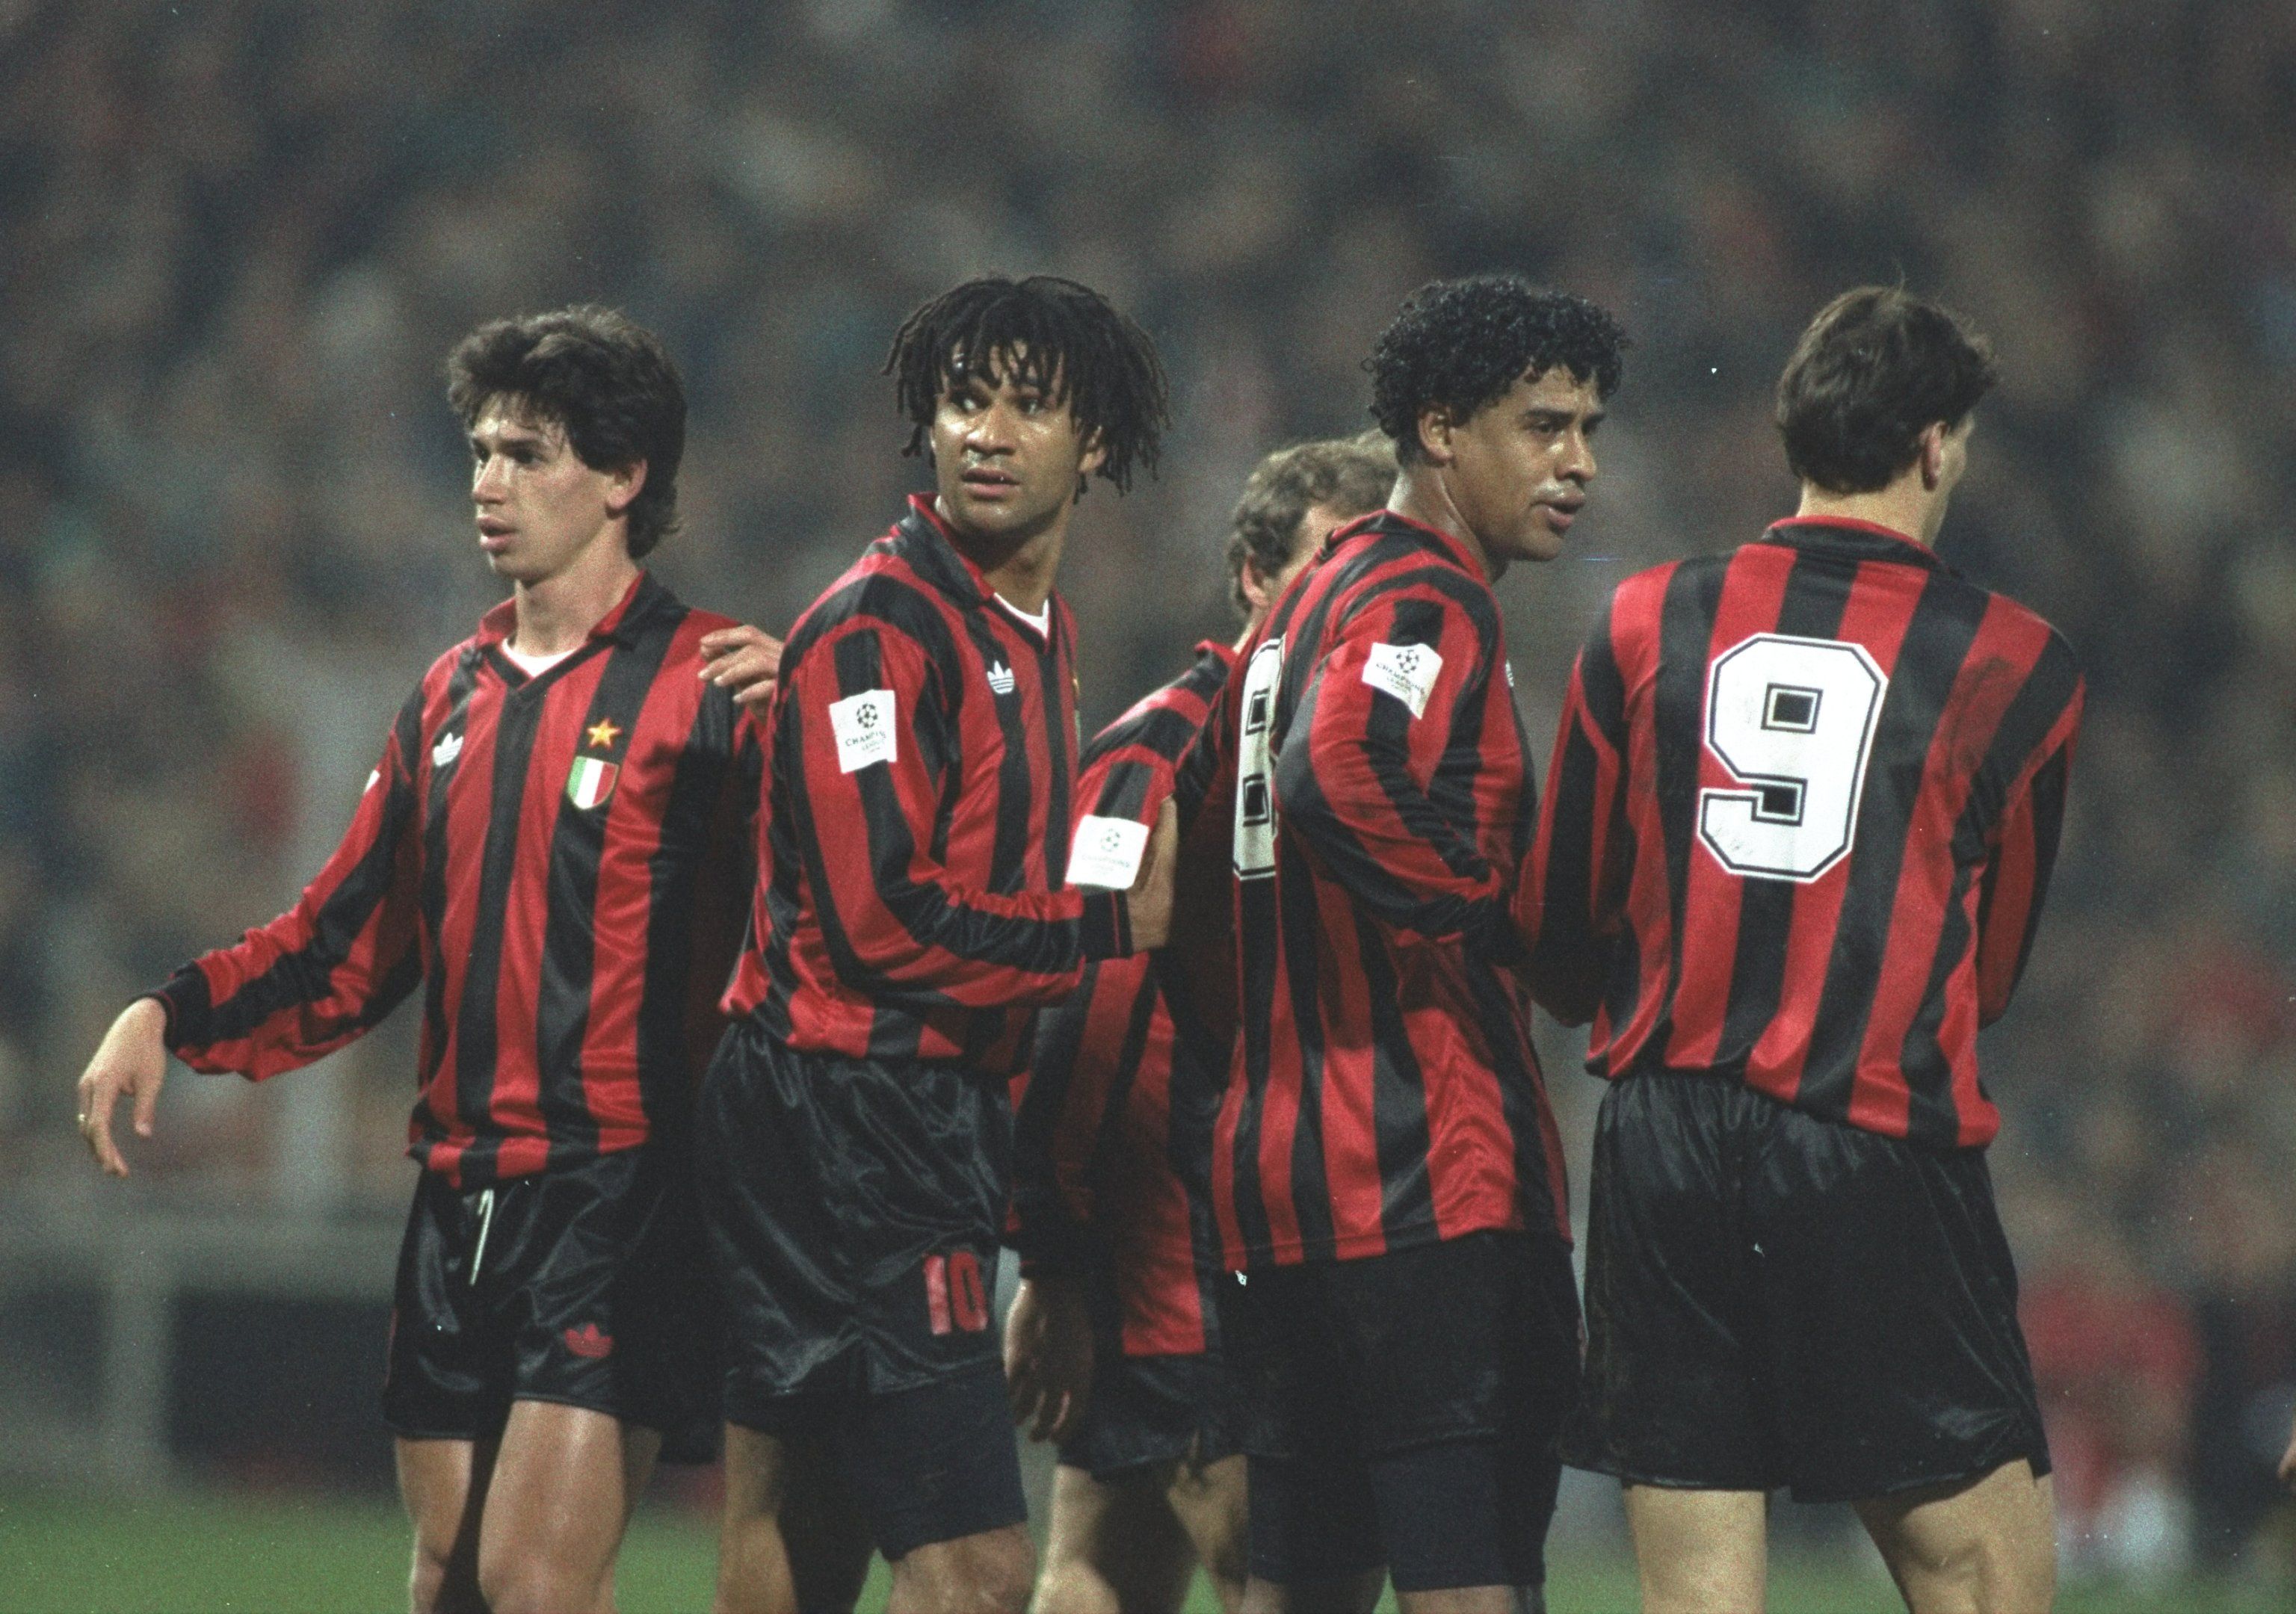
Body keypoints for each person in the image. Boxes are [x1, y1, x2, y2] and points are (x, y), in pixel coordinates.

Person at [72, 306, 771, 1614]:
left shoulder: (717, 687)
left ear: (625, 479)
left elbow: (842, 913)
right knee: (451, 1585)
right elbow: (343, 946)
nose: (489, 484)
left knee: (531, 1587)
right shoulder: (450, 695)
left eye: (529, 454)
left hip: (619, 1195)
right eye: (482, 451)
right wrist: (168, 1011)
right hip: (456, 1195)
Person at [1517, 285, 2084, 1614]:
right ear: (1939, 446)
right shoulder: (2021, 664)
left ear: (1797, 439)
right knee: (1990, 1582)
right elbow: (1986, 980)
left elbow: (1555, 935)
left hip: (1660, 1140)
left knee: (1701, 1596)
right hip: (1868, 1131)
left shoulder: (1645, 617)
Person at [700, 274, 1179, 1614]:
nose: (986, 432)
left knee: (812, 1514)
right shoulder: (878, 627)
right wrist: (1102, 928)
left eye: (1029, 406)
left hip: (888, 1112)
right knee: (974, 1568)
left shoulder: (1034, 626)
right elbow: (881, 923)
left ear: (1095, 444)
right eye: (967, 400)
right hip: (850, 1113)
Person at [1196, 274, 1626, 1614]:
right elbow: (1342, 771)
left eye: (1587, 430)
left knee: (1303, 1583)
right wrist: (1483, 918)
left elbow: (1202, 855)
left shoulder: (1283, 619)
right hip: (1419, 1174)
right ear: (1440, 431)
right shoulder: (1426, 598)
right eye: (1544, 427)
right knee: (1473, 1581)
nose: (1579, 465)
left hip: (1278, 1181)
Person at [1004, 433, 1398, 1614]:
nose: (1348, 593)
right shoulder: (1173, 743)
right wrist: (1058, 1259)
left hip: (1258, 1240)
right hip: (1194, 1259)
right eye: (1326, 559)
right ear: (1249, 574)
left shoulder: (1359, 746)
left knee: (1099, 1563)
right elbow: (1086, 1003)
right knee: (1268, 1572)